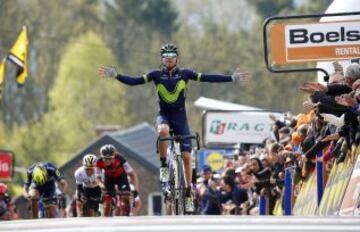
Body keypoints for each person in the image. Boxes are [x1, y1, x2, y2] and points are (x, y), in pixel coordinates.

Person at [98, 43, 251, 212]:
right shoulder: (155, 75)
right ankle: (164, 165)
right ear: (162, 59)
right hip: (164, 114)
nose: (169, 60)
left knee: (186, 156)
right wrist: (117, 75)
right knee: (163, 131)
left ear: (177, 59)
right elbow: (135, 81)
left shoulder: (185, 74)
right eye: (166, 57)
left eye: (172, 57)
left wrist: (231, 78)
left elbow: (208, 77)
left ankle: (187, 192)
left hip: (180, 116)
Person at [96, 144, 139, 216]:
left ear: (114, 156)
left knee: (126, 195)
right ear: (101, 157)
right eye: (105, 158)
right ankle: (107, 212)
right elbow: (98, 178)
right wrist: (101, 185)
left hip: (121, 177)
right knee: (107, 198)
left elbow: (133, 175)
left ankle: (127, 210)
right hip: (109, 178)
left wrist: (136, 188)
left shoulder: (120, 159)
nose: (107, 161)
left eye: (110, 158)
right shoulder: (99, 161)